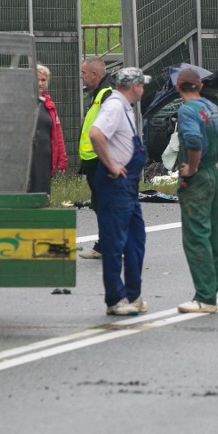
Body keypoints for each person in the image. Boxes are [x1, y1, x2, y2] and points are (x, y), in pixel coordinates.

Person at [173, 68, 218, 314]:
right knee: (212, 234)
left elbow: (193, 141)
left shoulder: (186, 111)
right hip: (212, 175)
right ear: (199, 86)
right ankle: (211, 292)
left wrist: (191, 169)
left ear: (178, 87)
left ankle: (204, 296)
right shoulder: (213, 109)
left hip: (198, 178)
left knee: (196, 237)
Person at [87, 67, 149, 316]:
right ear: (134, 86)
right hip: (115, 184)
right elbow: (96, 133)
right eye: (141, 85)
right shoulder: (114, 106)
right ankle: (115, 299)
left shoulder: (125, 108)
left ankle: (133, 295)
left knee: (136, 239)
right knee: (114, 242)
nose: (143, 89)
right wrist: (112, 164)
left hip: (129, 186)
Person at [78, 56, 113, 259]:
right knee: (101, 204)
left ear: (94, 74)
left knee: (103, 204)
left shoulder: (106, 95)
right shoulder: (97, 94)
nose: (81, 77)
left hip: (100, 161)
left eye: (83, 73)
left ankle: (105, 246)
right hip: (93, 161)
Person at [29, 64, 68, 195]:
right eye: (37, 79)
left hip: (45, 158)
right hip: (28, 159)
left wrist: (62, 159)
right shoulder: (25, 101)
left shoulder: (49, 105)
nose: (40, 83)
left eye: (43, 80)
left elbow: (57, 133)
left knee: (44, 193)